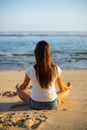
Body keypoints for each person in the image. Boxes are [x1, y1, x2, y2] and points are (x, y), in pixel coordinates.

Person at [16, 40, 72, 110]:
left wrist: (18, 87)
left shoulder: (30, 70)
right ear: (49, 54)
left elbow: (23, 87)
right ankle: (67, 89)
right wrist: (68, 87)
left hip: (34, 105)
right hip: (52, 104)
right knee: (66, 91)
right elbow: (62, 88)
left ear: (36, 54)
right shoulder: (56, 69)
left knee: (19, 92)